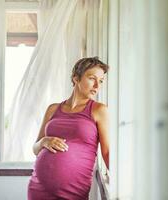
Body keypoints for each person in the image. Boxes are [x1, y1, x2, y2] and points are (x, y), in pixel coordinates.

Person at [27, 57, 109, 200]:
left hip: (73, 192)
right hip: (38, 189)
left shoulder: (99, 110)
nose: (97, 86)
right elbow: (35, 148)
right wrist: (44, 141)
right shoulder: (53, 109)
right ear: (76, 78)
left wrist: (125, 183)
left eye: (101, 81)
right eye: (92, 78)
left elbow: (107, 152)